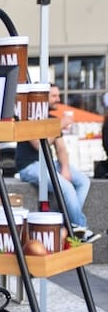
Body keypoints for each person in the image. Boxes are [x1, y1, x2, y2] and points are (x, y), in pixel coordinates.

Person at [15, 84, 91, 233]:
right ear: (43, 99)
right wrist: (60, 125)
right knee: (67, 188)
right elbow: (38, 145)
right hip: (30, 165)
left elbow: (61, 148)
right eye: (54, 96)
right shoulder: (28, 117)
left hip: (48, 164)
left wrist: (65, 168)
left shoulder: (52, 119)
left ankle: (68, 223)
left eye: (58, 95)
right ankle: (80, 227)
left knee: (84, 181)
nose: (59, 99)